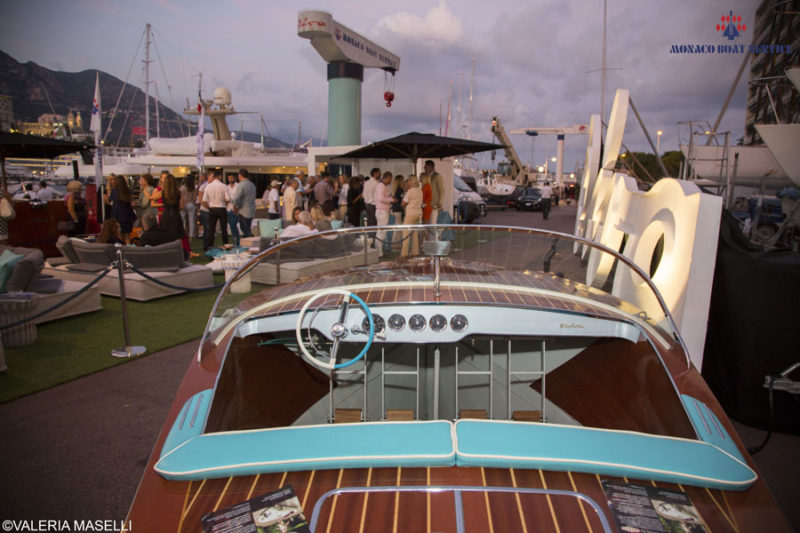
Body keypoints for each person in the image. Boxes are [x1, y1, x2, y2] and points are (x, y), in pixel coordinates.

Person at [202, 171, 230, 250]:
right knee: (224, 228)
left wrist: (209, 207)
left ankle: (210, 245)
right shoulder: (224, 186)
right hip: (221, 207)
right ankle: (225, 244)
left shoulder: (208, 186)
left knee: (211, 229)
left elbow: (204, 200)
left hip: (212, 208)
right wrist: (225, 204)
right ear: (220, 176)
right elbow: (228, 198)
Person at [109, 175, 136, 244]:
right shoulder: (128, 191)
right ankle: (128, 248)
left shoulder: (114, 192)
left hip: (118, 215)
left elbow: (111, 201)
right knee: (127, 235)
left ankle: (122, 248)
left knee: (119, 235)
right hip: (127, 216)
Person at [401, 175, 423, 257]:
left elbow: (403, 204)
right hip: (418, 214)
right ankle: (415, 252)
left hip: (410, 214)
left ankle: (404, 254)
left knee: (406, 234)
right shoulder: (420, 191)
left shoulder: (410, 192)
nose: (407, 182)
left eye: (408, 181)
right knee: (414, 235)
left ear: (411, 181)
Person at [374, 171, 395, 252]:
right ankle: (379, 251)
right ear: (387, 178)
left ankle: (379, 251)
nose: (391, 181)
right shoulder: (381, 186)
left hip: (382, 210)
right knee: (381, 232)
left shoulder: (382, 186)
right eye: (390, 179)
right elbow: (380, 198)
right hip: (382, 211)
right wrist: (391, 199)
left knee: (381, 232)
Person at [232, 168, 256, 239]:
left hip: (243, 210)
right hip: (251, 210)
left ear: (240, 175)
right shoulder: (252, 185)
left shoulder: (241, 185)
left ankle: (249, 241)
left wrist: (235, 207)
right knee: (247, 228)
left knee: (245, 229)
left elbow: (236, 198)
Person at [179, 174, 196, 239]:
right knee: (191, 220)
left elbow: (181, 197)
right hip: (191, 204)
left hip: (183, 204)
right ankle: (191, 234)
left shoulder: (182, 188)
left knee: (183, 220)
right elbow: (194, 198)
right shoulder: (193, 187)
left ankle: (183, 233)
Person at [225, 173, 240, 246]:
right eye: (229, 178)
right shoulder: (227, 187)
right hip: (228, 208)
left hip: (236, 209)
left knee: (233, 225)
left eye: (232, 178)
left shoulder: (238, 186)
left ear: (235, 178)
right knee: (231, 226)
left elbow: (238, 198)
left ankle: (237, 241)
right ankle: (234, 241)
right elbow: (226, 198)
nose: (230, 180)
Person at [196, 172, 210, 243]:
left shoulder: (204, 186)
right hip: (205, 208)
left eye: (201, 177)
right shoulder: (202, 186)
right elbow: (200, 199)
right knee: (206, 226)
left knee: (207, 226)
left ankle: (207, 242)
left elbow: (200, 199)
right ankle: (207, 242)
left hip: (206, 208)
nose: (200, 178)